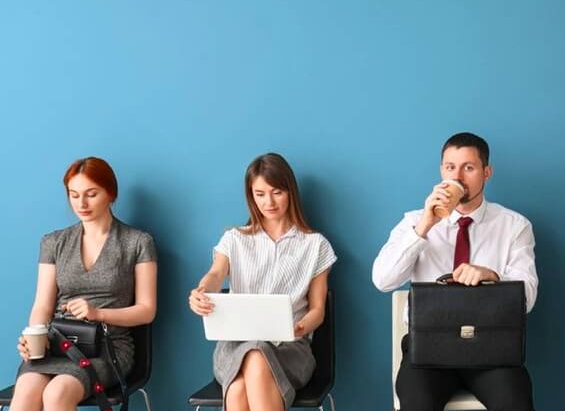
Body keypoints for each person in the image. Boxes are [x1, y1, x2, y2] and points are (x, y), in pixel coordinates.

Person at [373, 132, 538, 411]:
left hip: (491, 351)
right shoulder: (414, 221)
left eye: (469, 168)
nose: (458, 177)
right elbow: (382, 280)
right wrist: (425, 226)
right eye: (450, 167)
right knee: (417, 404)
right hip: (427, 352)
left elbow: (529, 298)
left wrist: (492, 277)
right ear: (441, 171)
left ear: (487, 172)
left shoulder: (514, 226)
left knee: (515, 402)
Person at [188, 153, 336, 411]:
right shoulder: (234, 239)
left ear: (290, 191)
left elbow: (318, 311)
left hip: (291, 349)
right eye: (260, 194)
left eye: (276, 192)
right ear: (250, 196)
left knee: (237, 388)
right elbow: (215, 274)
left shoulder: (316, 245)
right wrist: (201, 291)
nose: (268, 202)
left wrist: (300, 327)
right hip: (235, 348)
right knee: (251, 359)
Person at [11, 157, 158, 411]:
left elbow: (147, 309)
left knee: (57, 394)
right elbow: (43, 306)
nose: (82, 203)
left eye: (91, 194)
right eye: (74, 194)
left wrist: (97, 313)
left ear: (111, 194)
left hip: (108, 348)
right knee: (25, 392)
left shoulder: (138, 242)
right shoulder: (54, 242)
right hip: (58, 344)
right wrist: (33, 336)